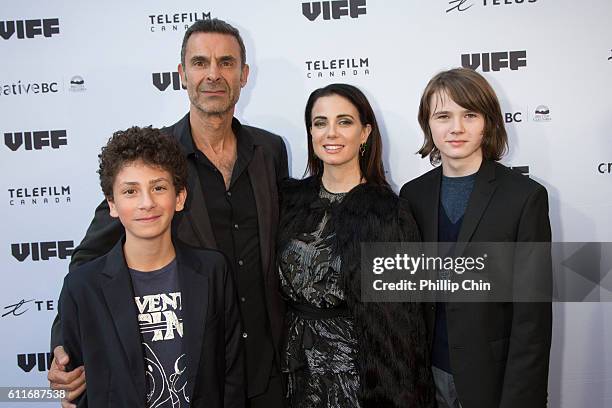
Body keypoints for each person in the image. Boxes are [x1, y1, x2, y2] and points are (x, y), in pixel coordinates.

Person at [49, 18, 288, 408]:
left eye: (226, 63)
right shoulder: (154, 160)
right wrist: (63, 344)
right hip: (200, 374)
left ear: (244, 75)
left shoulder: (270, 150)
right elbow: (89, 261)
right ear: (182, 74)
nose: (213, 74)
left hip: (267, 372)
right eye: (200, 63)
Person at [58, 126, 243, 407]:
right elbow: (78, 389)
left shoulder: (213, 271)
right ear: (112, 204)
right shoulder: (82, 287)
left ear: (179, 197)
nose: (147, 203)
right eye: (130, 191)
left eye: (158, 187)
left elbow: (230, 373)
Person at [400, 68, 552, 408]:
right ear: (428, 124)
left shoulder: (524, 197)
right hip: (425, 377)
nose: (456, 127)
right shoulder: (412, 195)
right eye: (443, 116)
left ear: (488, 122)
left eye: (469, 114)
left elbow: (533, 319)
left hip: (493, 380)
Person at [278, 83, 435, 407]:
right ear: (310, 132)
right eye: (320, 122)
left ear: (365, 133)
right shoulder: (288, 200)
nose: (330, 133)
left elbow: (401, 325)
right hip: (291, 372)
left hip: (355, 380)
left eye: (344, 121)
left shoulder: (388, 213)